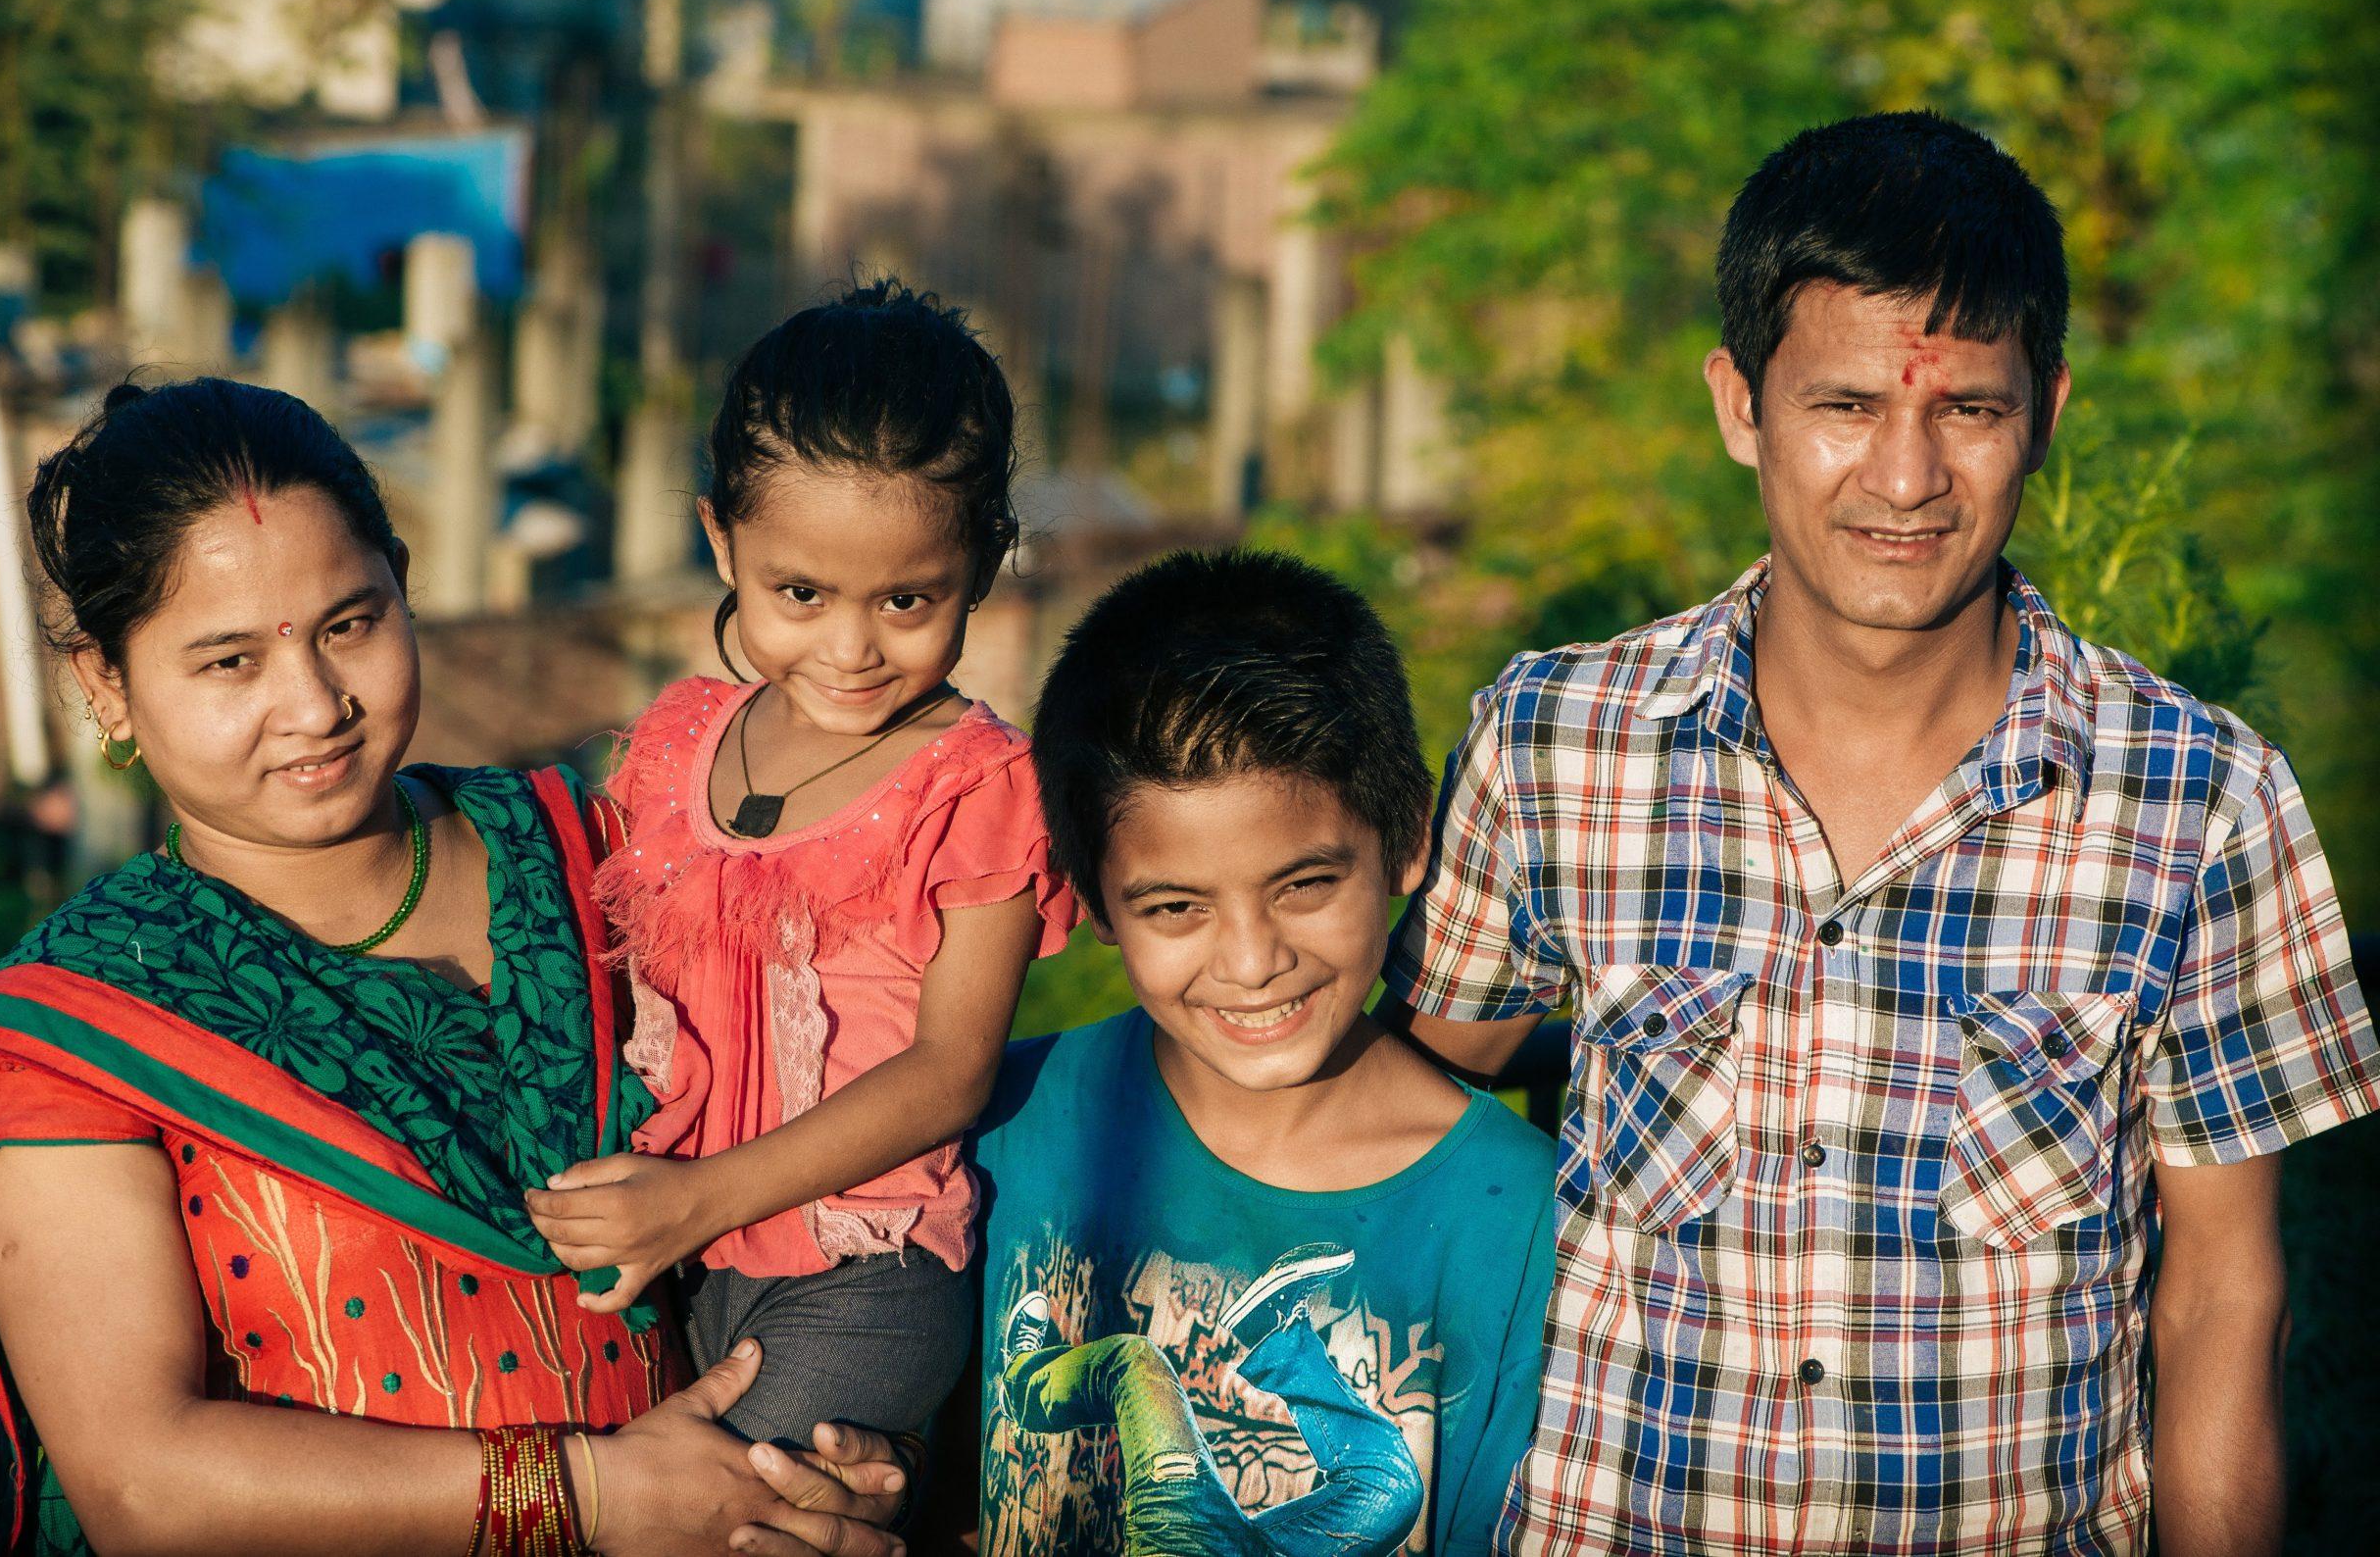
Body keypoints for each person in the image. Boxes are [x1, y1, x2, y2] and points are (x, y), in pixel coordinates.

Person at [1384, 110, 2380, 1556]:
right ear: (1741, 407)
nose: (1905, 478)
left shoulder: (2201, 798)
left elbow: (2226, 1297)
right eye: (1845, 405)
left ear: (2044, 407)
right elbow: (1399, 1114)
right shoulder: (1553, 743)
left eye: (1966, 409)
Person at [0, 378, 907, 1557]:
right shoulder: (78, 1034)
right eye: (226, 663)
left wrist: (839, 1455)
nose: (312, 703)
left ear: (405, 588)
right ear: (104, 682)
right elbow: (145, 1480)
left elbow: (839, 1139)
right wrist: (597, 1497)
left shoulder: (604, 856)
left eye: (349, 623)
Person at [523, 280, 1077, 1449]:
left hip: (860, 1271)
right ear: (720, 535)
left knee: (737, 1511)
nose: (851, 645)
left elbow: (948, 1071)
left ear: (985, 560)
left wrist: (694, 1201)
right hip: (666, 1252)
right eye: (801, 592)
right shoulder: (675, 741)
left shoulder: (981, 787)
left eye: (907, 598)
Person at [969, 549, 1558, 1557]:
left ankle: (1272, 1346)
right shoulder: (1005, 1123)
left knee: (1380, 1481)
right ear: (1093, 897)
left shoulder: (1518, 1220)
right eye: (1175, 906)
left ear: (1407, 838)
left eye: (1304, 886)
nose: (1252, 961)